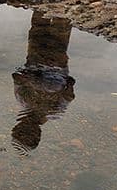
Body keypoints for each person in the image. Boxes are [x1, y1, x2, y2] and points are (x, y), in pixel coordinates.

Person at [11, 11, 76, 154]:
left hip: (36, 59)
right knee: (61, 30)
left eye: (20, 127)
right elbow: (69, 95)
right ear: (38, 133)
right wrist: (68, 86)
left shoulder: (23, 100)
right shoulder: (54, 112)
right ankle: (64, 6)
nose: (23, 124)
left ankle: (42, 3)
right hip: (56, 64)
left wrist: (29, 79)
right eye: (25, 129)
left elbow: (16, 77)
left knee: (38, 29)